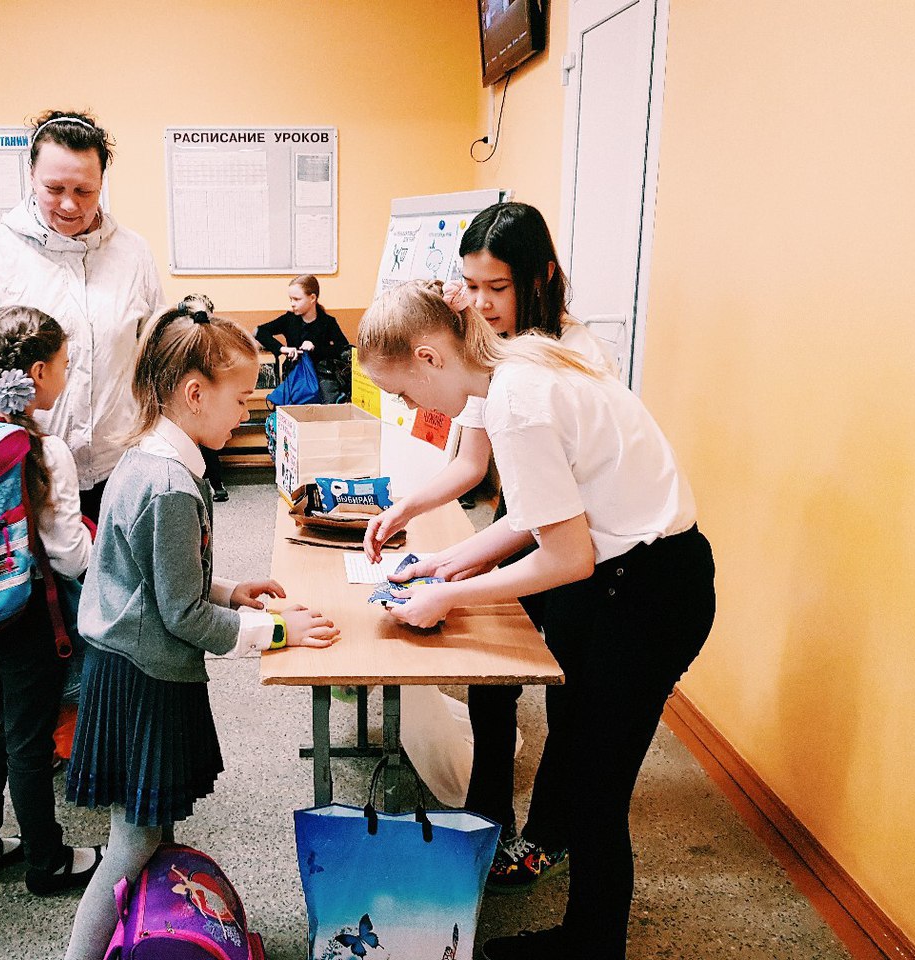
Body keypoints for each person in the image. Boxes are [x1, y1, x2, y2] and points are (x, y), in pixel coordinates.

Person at [357, 281, 715, 960]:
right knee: (586, 774)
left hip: (649, 590)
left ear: (429, 357)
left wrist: (451, 597)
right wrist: (445, 564)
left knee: (596, 791)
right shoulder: (519, 366)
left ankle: (591, 946)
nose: (408, 407)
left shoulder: (517, 401)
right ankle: (586, 938)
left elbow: (567, 557)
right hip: (645, 576)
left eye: (401, 391)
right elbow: (536, 514)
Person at [63, 296, 339, 960]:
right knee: (131, 843)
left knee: (147, 833)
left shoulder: (150, 459)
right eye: (241, 398)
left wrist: (232, 592)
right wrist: (274, 632)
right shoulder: (169, 486)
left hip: (132, 664)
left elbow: (156, 579)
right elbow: (180, 613)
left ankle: (145, 937)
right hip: (141, 678)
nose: (248, 410)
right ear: (194, 393)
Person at [362, 201, 617, 890]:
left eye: (496, 287)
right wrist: (418, 522)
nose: (480, 302)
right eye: (470, 286)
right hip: (534, 515)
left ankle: (546, 835)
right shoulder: (487, 348)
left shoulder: (561, 362)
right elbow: (476, 466)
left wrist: (454, 585)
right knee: (493, 665)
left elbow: (564, 538)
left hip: (588, 538)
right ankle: (488, 817)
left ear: (541, 277)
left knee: (569, 693)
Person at [0, 110, 163, 522]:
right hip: (25, 469)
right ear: (31, 176)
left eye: (84, 190)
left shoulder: (133, 253)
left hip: (118, 465)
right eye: (54, 188)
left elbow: (155, 352)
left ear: (102, 183)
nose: (69, 204)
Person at [0, 305, 99, 897]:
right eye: (63, 363)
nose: (66, 372)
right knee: (30, 740)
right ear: (37, 372)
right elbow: (68, 555)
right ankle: (47, 861)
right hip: (26, 616)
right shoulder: (42, 449)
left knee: (0, 725)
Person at [254, 274, 352, 402]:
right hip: (296, 374)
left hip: (322, 375)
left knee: (327, 398)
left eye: (297, 299)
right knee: (287, 400)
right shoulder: (289, 320)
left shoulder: (327, 322)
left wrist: (315, 348)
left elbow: (343, 349)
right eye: (290, 299)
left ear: (312, 298)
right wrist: (283, 349)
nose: (292, 304)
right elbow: (260, 331)